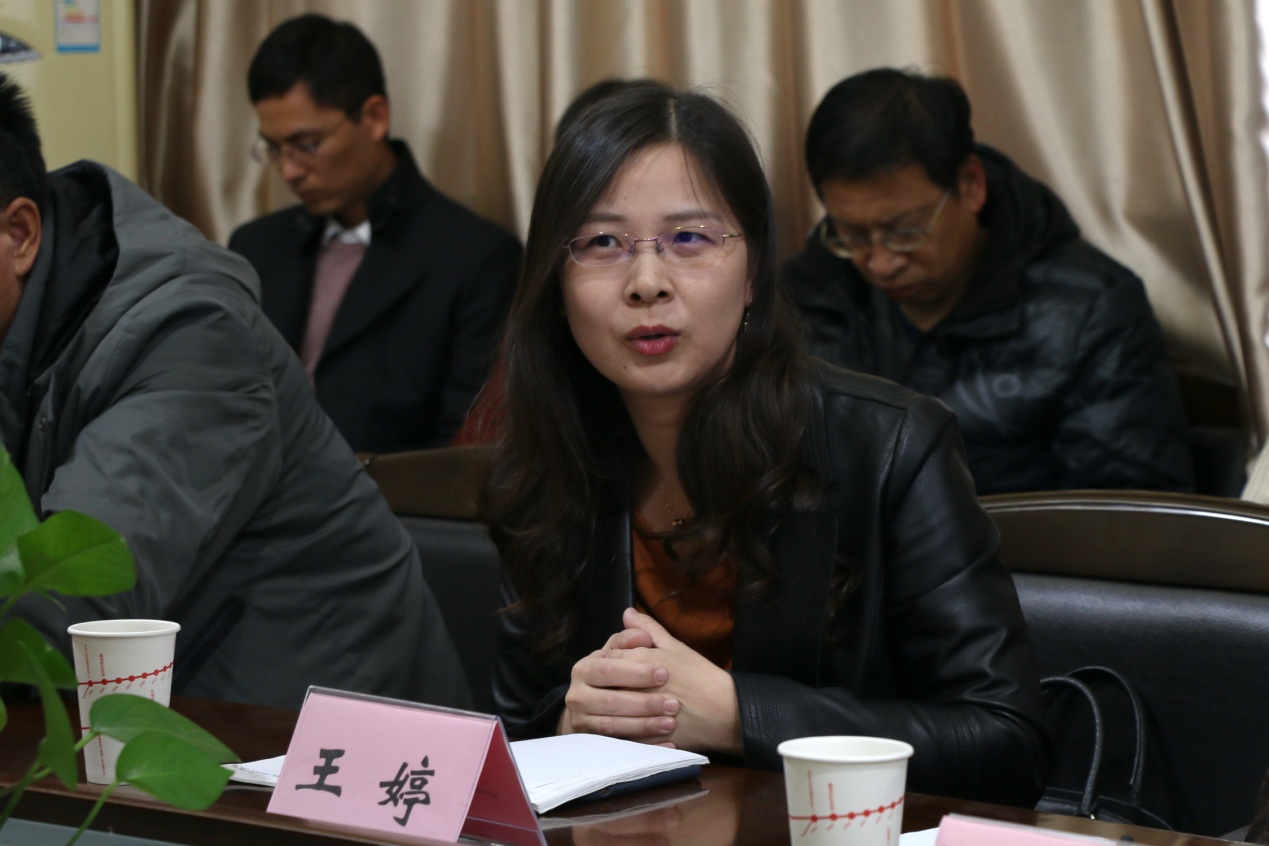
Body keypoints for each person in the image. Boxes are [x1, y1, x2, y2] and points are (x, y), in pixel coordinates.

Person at [485, 82, 1047, 806]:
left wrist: (738, 714)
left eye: (690, 238)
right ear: (555, 285)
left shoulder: (892, 449)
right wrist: (573, 724)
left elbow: (1006, 746)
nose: (647, 283)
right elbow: (512, 734)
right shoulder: (544, 462)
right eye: (602, 243)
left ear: (753, 270)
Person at [0, 73, 469, 710]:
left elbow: (73, 608)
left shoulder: (188, 332)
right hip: (174, 719)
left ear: (20, 234)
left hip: (328, 726)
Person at [783, 67, 1193, 495]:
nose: (882, 263)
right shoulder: (809, 296)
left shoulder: (1087, 309)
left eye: (905, 231)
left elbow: (1128, 511)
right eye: (852, 234)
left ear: (971, 184)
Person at [228, 14, 520, 454]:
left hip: (397, 496)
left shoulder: (475, 258)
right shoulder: (254, 247)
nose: (288, 171)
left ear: (374, 117)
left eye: (307, 145)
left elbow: (462, 453)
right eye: (274, 149)